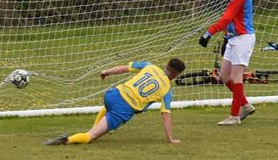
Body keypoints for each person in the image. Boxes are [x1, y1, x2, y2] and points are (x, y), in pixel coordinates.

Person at [46, 58, 186, 146]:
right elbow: (165, 115)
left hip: (113, 95)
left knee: (107, 110)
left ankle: (92, 132)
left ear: (166, 66)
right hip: (124, 108)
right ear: (175, 75)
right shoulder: (167, 90)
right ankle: (68, 140)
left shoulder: (149, 66)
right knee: (91, 136)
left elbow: (123, 68)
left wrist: (106, 72)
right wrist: (170, 139)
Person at [198, 0, 256, 126]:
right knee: (224, 77)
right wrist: (226, 35)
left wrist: (208, 33)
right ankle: (245, 105)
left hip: (243, 38)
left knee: (236, 77)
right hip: (233, 38)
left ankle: (234, 116)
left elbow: (227, 18)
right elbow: (231, 20)